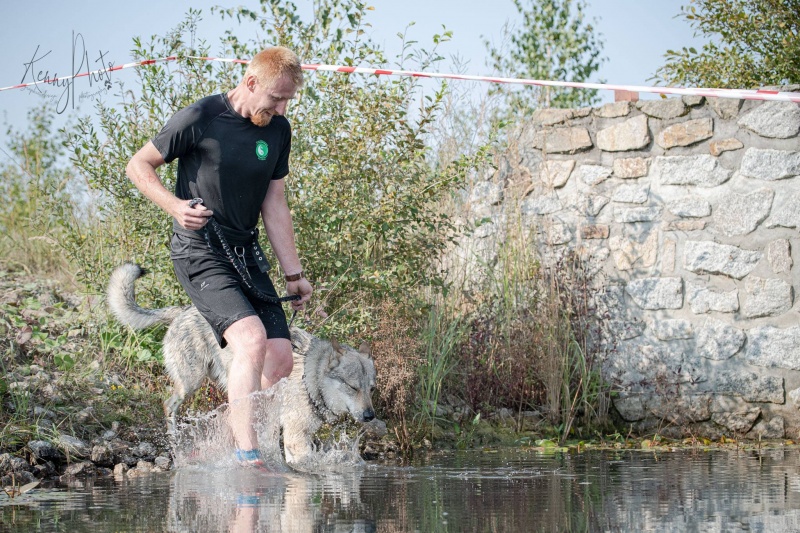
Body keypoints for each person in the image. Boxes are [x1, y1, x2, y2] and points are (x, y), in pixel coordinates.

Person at [125, 46, 313, 466]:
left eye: (287, 100)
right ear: (251, 83)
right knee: (250, 340)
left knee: (281, 358)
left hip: (245, 253)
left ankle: (227, 441)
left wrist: (293, 272)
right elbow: (138, 165)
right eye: (275, 98)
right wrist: (174, 206)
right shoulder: (201, 117)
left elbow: (275, 201)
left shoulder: (277, 130)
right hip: (199, 252)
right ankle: (248, 456)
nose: (281, 107)